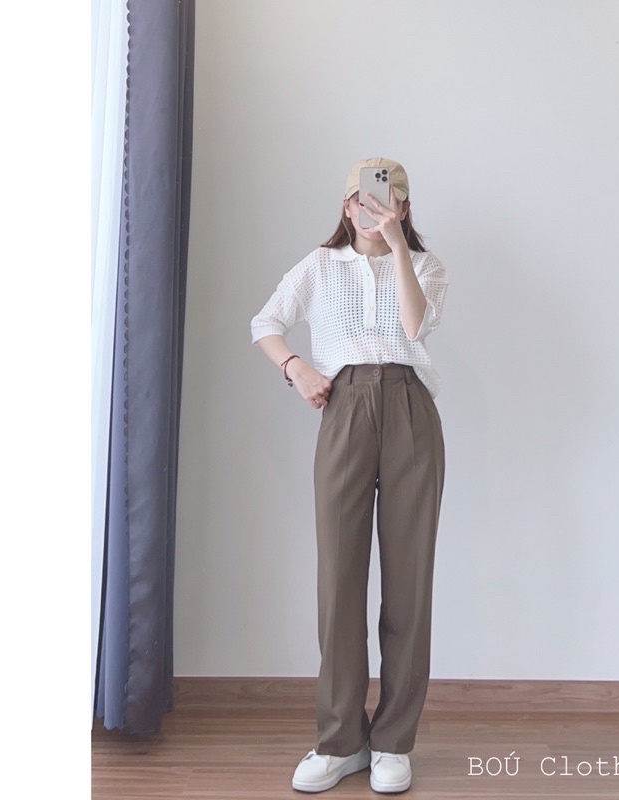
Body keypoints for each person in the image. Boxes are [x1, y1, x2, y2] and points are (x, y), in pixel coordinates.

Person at [250, 157, 448, 794]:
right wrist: (297, 369)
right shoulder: (319, 266)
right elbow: (265, 322)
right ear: (347, 205)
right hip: (344, 408)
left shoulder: (425, 267)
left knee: (408, 582)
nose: (373, 209)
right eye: (363, 200)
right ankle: (340, 741)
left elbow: (415, 325)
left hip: (411, 409)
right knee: (338, 580)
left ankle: (392, 742)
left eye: (388, 201)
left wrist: (397, 247)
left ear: (405, 208)